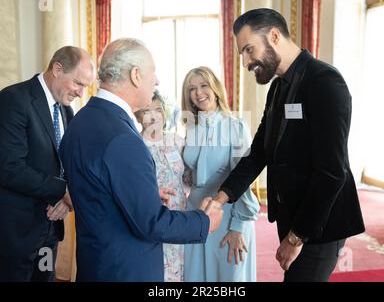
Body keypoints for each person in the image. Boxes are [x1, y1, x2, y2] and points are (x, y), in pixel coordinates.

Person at [207, 8, 365, 282]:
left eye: (248, 49)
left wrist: (295, 238)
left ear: (274, 36)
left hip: (319, 223)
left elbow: (332, 172)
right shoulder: (278, 88)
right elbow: (258, 154)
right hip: (292, 216)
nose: (245, 62)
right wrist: (221, 198)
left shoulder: (324, 82)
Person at [59, 38, 223, 282]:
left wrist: (141, 194)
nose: (156, 81)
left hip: (96, 263)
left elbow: (97, 189)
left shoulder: (80, 121)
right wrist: (204, 221)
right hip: (126, 270)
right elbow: (152, 223)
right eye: (153, 72)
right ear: (136, 75)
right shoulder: (123, 138)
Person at [0, 46, 95, 281]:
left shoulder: (66, 110)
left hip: (51, 226)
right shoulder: (13, 99)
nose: (81, 93)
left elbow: (69, 165)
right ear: (57, 69)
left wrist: (64, 200)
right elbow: (9, 168)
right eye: (78, 84)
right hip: (16, 233)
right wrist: (62, 191)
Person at [181, 66, 260, 282]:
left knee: (227, 280)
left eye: (204, 85)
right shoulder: (190, 129)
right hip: (196, 215)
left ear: (215, 88)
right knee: (196, 278)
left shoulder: (235, 126)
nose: (198, 93)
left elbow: (244, 179)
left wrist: (238, 227)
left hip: (228, 214)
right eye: (192, 88)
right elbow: (188, 175)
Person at [135, 90, 187, 282]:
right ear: (138, 115)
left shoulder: (178, 142)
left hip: (179, 215)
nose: (154, 115)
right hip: (151, 218)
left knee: (178, 269)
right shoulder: (135, 144)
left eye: (158, 109)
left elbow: (189, 178)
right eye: (147, 111)